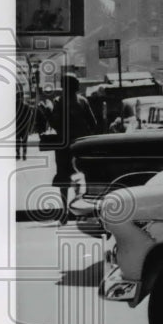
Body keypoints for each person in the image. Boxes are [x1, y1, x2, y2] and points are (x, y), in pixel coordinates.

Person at [50, 74, 97, 224]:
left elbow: (54, 123)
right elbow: (93, 123)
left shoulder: (58, 102)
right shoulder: (82, 101)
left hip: (65, 146)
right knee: (81, 176)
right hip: (80, 145)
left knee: (64, 177)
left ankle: (65, 211)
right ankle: (79, 209)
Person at [15, 83, 33, 160]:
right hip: (25, 127)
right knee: (24, 142)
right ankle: (24, 155)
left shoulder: (14, 106)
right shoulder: (26, 106)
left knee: (17, 141)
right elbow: (30, 117)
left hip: (17, 126)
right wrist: (30, 127)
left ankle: (18, 154)